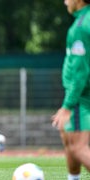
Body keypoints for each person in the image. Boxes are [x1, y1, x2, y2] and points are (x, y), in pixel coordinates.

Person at [51, 0, 90, 180]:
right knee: (68, 139)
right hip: (81, 94)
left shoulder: (80, 27)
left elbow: (80, 74)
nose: (65, 1)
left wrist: (67, 106)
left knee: (77, 147)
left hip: (81, 97)